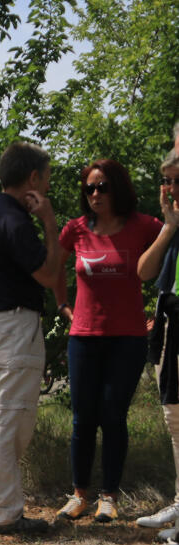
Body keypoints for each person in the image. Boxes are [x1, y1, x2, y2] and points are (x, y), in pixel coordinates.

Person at [0, 141, 68, 534]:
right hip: (14, 327)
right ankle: (3, 512)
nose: (47, 185)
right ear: (33, 179)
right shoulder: (16, 222)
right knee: (8, 421)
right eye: (46, 178)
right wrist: (50, 222)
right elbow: (49, 274)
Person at [51, 160, 162, 523]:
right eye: (89, 188)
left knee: (113, 416)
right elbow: (56, 266)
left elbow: (167, 251)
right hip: (83, 336)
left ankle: (109, 498)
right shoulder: (76, 229)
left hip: (128, 339)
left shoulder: (143, 226)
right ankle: (79, 494)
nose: (96, 194)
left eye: (103, 187)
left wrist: (156, 311)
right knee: (83, 418)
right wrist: (62, 305)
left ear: (118, 189)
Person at [138, 149, 179, 531]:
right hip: (171, 320)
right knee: (174, 416)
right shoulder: (174, 225)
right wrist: (168, 227)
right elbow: (144, 270)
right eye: (166, 181)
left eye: (176, 180)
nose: (169, 188)